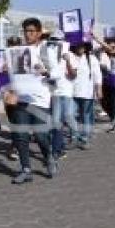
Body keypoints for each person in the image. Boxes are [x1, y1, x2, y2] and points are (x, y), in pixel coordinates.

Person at [4, 18, 57, 184]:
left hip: (40, 100)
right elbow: (13, 75)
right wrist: (11, 90)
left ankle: (48, 157)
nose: (28, 34)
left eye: (32, 31)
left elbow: (57, 75)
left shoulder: (46, 51)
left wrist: (46, 72)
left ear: (39, 33)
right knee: (20, 135)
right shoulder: (17, 51)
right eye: (26, 31)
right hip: (21, 100)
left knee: (41, 135)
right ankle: (25, 169)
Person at [47, 31, 77, 159]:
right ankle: (57, 149)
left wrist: (68, 60)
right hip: (52, 92)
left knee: (63, 119)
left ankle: (61, 146)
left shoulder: (70, 55)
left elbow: (73, 75)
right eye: (53, 40)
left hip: (65, 92)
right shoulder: (47, 55)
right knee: (55, 122)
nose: (55, 43)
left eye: (58, 40)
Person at [69, 42, 102, 147]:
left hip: (87, 93)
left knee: (85, 116)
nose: (80, 48)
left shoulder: (91, 58)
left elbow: (97, 75)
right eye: (78, 46)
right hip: (72, 92)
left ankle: (85, 138)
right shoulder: (70, 56)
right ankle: (74, 136)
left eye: (82, 46)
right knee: (70, 115)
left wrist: (99, 90)